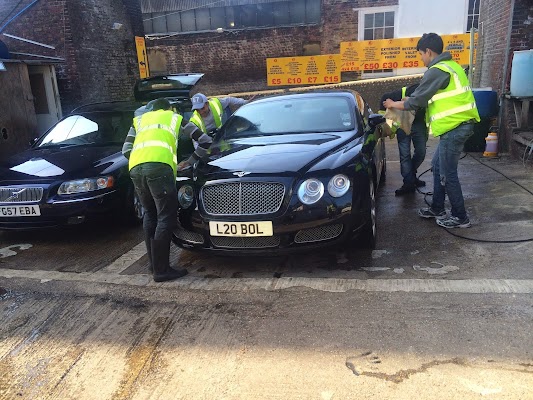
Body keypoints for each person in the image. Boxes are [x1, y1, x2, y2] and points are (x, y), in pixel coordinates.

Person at [383, 32, 480, 228]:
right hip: (457, 126)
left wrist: (393, 103)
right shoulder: (452, 66)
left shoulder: (437, 70)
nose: (421, 58)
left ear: (428, 51)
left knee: (447, 172)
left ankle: (460, 217)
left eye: (421, 54)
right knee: (437, 166)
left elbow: (417, 101)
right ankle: (437, 207)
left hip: (456, 127)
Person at [122, 98, 213, 281]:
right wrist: (190, 161)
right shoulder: (175, 118)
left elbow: (126, 150)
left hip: (135, 168)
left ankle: (153, 264)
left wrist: (142, 160)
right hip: (159, 169)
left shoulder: (139, 121)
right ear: (168, 108)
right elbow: (205, 141)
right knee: (166, 216)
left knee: (150, 213)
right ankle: (162, 270)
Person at [379, 84, 428, 196]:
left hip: (419, 124)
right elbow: (384, 98)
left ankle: (411, 176)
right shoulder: (401, 93)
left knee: (421, 152)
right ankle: (408, 184)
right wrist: (384, 119)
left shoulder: (429, 92)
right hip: (403, 125)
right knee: (405, 155)